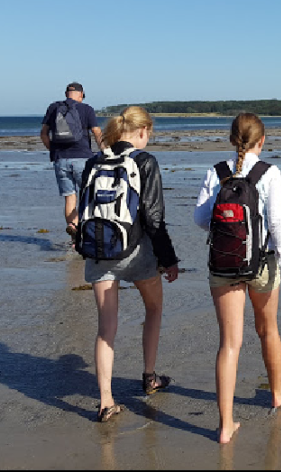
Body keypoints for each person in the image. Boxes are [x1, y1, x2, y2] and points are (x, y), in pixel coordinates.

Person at [193, 113, 281, 444]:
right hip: (262, 264)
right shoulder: (269, 173)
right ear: (262, 140)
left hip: (223, 266)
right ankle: (277, 391)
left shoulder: (217, 172)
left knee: (229, 344)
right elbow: (277, 223)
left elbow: (199, 218)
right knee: (268, 331)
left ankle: (226, 425)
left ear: (231, 138)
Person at [81, 106, 180, 423]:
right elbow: (154, 218)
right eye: (148, 133)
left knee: (105, 328)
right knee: (153, 309)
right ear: (142, 131)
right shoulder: (145, 161)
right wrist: (169, 260)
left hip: (99, 250)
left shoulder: (94, 162)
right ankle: (150, 377)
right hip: (138, 254)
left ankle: (106, 400)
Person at [40, 82, 103, 240]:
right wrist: (105, 152)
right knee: (87, 196)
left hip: (61, 160)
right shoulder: (86, 109)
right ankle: (86, 234)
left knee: (70, 197)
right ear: (81, 94)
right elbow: (97, 132)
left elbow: (43, 134)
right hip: (83, 159)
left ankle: (73, 230)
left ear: (66, 93)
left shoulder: (54, 107)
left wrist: (53, 151)